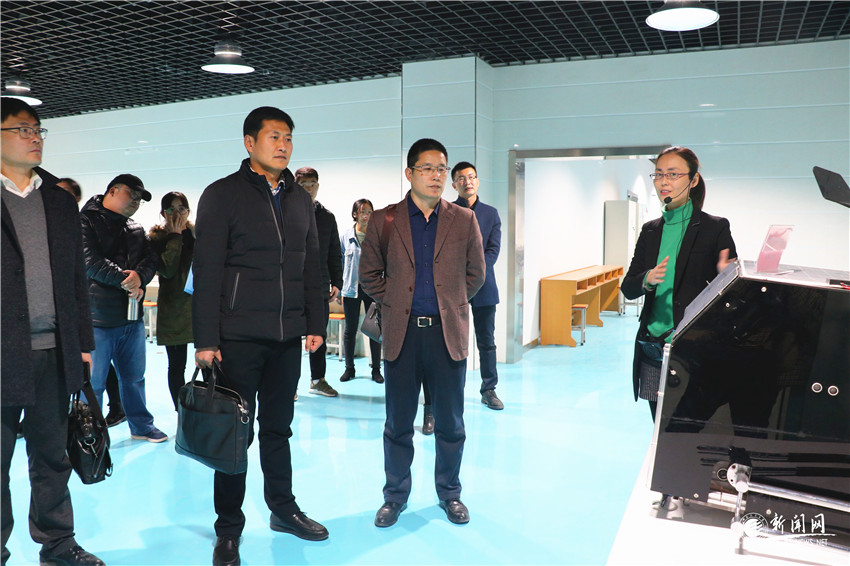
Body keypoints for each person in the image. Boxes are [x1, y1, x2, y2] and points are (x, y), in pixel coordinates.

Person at [193, 106, 328, 566]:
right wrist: (206, 339)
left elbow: (312, 265)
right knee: (235, 434)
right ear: (250, 142)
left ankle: (283, 509)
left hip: (288, 337)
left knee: (278, 429)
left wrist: (315, 323)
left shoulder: (300, 200)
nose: (283, 145)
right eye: (274, 136)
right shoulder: (222, 195)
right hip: (237, 337)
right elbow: (207, 270)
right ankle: (228, 529)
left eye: (288, 137)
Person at [360, 138, 485, 528]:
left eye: (441, 168)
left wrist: (449, 301)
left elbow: (476, 274)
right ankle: (395, 496)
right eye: (427, 168)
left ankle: (450, 493)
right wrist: (398, 300)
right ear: (409, 173)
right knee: (398, 424)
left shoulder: (463, 219)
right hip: (403, 334)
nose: (436, 176)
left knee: (451, 424)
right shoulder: (385, 220)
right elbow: (369, 275)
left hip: (447, 334)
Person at [1, 97, 105, 566]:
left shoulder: (60, 201)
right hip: (2, 351)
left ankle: (59, 543)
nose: (34, 137)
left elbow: (76, 279)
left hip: (53, 349)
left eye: (38, 129)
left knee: (52, 455)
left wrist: (83, 343)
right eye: (22, 129)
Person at [621, 146, 737, 420]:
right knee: (658, 426)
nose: (664, 181)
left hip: (693, 348)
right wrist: (647, 279)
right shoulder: (650, 231)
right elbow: (628, 287)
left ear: (693, 180)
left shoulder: (714, 228)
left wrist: (727, 275)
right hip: (653, 347)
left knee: (688, 428)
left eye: (673, 174)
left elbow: (733, 293)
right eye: (659, 174)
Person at [80, 173, 167, 443]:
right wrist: (127, 281)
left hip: (131, 319)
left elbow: (150, 259)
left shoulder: (135, 228)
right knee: (93, 384)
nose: (136, 201)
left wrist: (140, 277)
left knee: (134, 378)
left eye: (140, 198)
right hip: (97, 319)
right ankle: (89, 435)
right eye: (132, 195)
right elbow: (89, 261)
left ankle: (141, 426)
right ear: (113, 191)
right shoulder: (84, 221)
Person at [56, 177, 125, 426]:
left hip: (83, 305)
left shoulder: (82, 226)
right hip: (59, 305)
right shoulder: (50, 225)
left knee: (95, 363)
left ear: (75, 200)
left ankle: (111, 408)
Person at [452, 161, 503, 410]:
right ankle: (453, 388)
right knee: (454, 342)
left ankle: (489, 389)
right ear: (454, 184)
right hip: (454, 287)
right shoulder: (447, 211)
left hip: (484, 286)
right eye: (461, 178)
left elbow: (493, 250)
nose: (467, 182)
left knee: (486, 341)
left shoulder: (490, 214)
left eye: (471, 177)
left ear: (478, 181)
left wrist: (476, 273)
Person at [295, 167, 343, 398]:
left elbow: (334, 252)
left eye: (312, 183)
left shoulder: (327, 217)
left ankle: (317, 380)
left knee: (318, 335)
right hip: (291, 286)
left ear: (318, 186)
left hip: (318, 287)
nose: (308, 188)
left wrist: (337, 281)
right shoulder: (285, 213)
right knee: (290, 339)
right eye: (303, 184)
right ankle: (289, 385)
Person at [148, 191, 194, 410]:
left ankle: (209, 411)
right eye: (171, 209)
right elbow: (167, 269)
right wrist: (175, 237)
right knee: (177, 366)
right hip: (174, 310)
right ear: (163, 213)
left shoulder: (197, 235)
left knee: (209, 363)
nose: (177, 214)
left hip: (200, 309)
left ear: (188, 212)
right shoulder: (157, 239)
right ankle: (181, 412)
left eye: (181, 208)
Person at [339, 198, 383, 384]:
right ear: (355, 214)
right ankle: (349, 368)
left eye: (370, 212)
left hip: (372, 289)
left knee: (375, 329)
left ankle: (376, 370)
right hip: (351, 289)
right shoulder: (345, 236)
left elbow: (384, 263)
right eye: (363, 212)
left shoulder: (377, 236)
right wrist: (339, 288)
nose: (366, 215)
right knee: (350, 330)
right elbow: (340, 264)